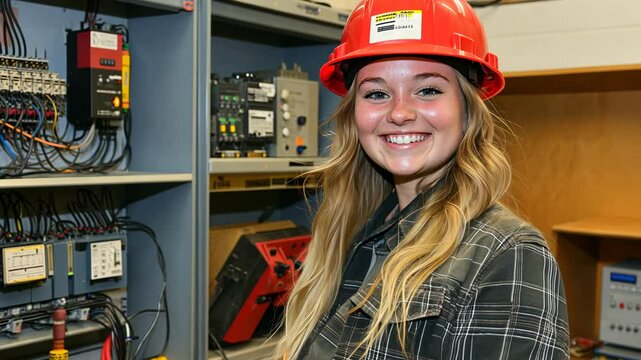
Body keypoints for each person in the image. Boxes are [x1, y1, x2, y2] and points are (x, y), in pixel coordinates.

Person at [275, 0, 570, 359]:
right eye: (377, 93)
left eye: (428, 89)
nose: (399, 113)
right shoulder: (351, 229)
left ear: (467, 109)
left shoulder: (508, 255)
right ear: (354, 115)